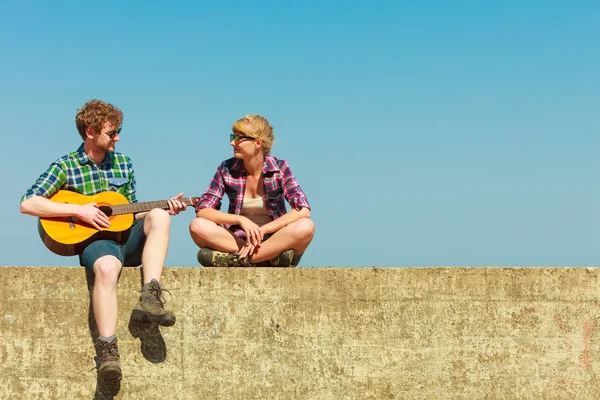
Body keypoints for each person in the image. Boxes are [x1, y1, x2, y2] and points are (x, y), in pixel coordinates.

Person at [19, 99, 186, 382]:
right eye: (112, 132)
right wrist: (78, 210)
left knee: (159, 216)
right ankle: (109, 351)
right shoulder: (65, 166)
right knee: (107, 269)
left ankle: (150, 296)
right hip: (97, 243)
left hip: (126, 237)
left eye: (119, 131)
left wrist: (165, 207)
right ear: (90, 132)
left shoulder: (124, 163)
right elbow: (28, 203)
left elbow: (131, 211)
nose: (117, 138)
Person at [190, 114, 314, 267]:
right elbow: (203, 210)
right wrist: (241, 220)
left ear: (258, 143)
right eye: (232, 137)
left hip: (274, 239)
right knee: (197, 225)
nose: (232, 142)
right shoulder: (226, 168)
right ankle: (268, 259)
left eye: (239, 138)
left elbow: (302, 210)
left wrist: (262, 231)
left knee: (306, 227)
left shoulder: (280, 168)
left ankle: (242, 259)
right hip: (239, 239)